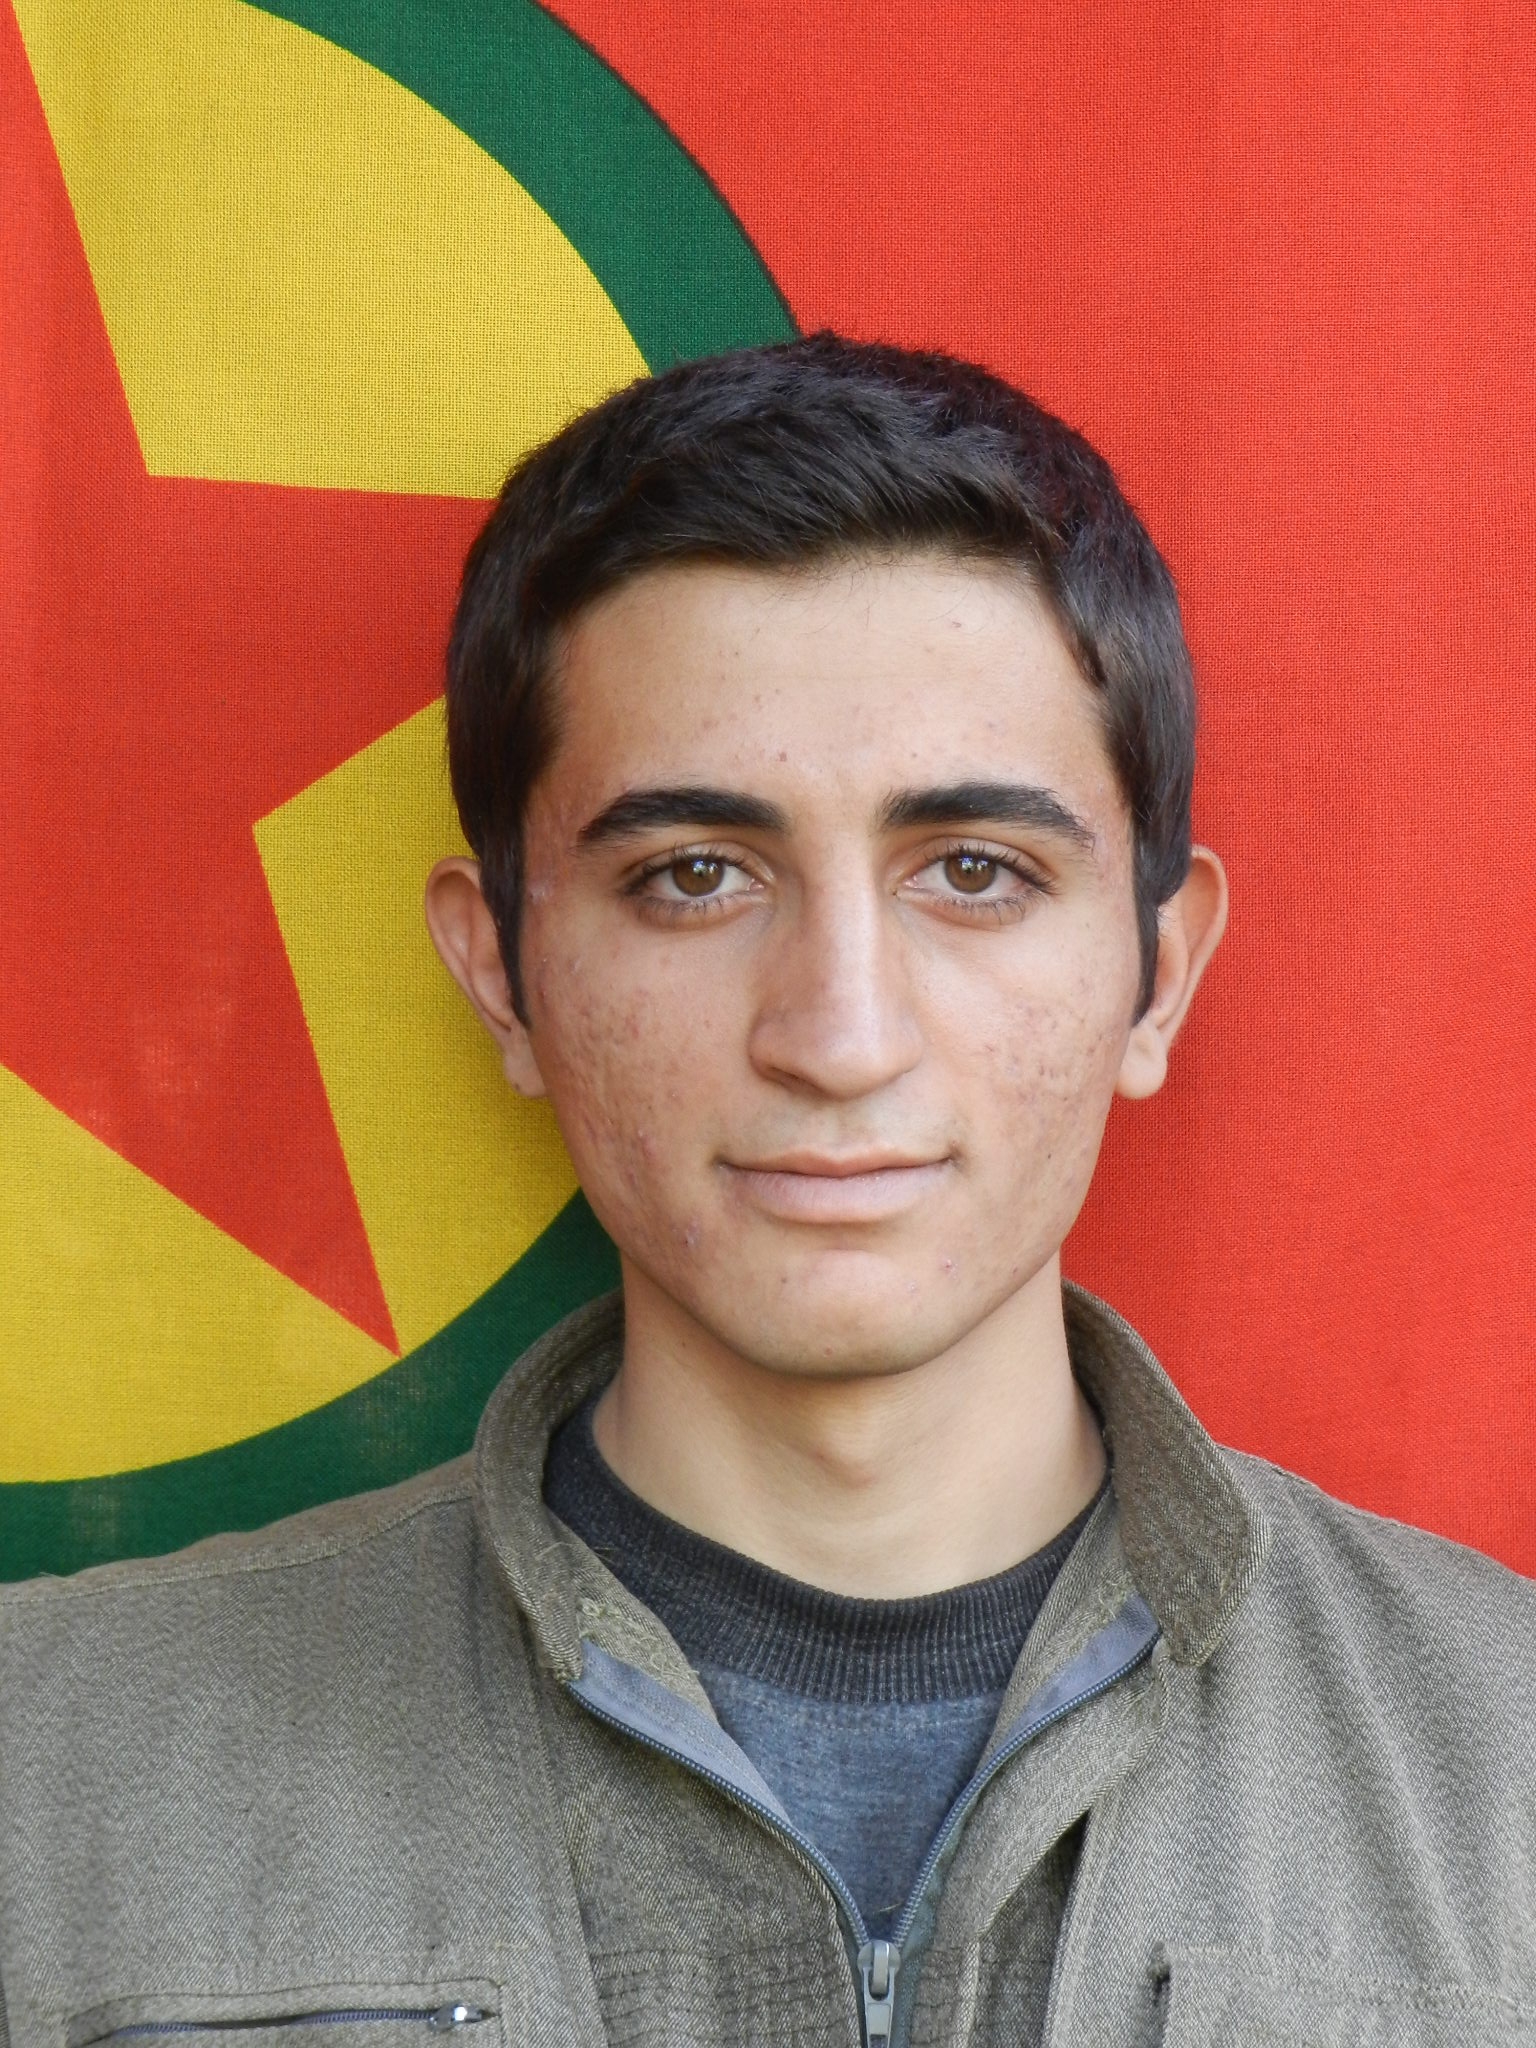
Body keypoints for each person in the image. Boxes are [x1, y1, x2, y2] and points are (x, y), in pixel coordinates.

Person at [1, 337, 1531, 2048]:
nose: (839, 1036)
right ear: (500, 971)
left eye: (974, 871)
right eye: (694, 876)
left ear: (1157, 977)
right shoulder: (48, 1784)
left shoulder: (1508, 1775)